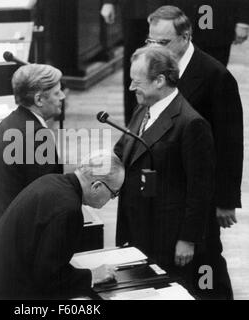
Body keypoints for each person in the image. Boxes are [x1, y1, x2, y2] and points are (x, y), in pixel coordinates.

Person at [147, 5, 243, 299]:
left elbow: (230, 144)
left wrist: (226, 200)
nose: (155, 49)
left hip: (202, 192)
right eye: (151, 42)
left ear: (186, 36)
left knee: (207, 260)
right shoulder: (155, 69)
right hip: (167, 189)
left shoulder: (215, 76)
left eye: (163, 43)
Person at [114, 46, 215, 297]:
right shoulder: (143, 108)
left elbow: (200, 189)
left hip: (167, 238)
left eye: (136, 82)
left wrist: (188, 239)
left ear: (159, 80)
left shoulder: (191, 124)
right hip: (137, 229)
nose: (130, 88)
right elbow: (123, 150)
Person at [0, 152, 125, 299]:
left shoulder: (51, 181)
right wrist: (92, 275)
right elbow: (49, 278)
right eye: (114, 193)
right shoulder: (68, 210)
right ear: (96, 186)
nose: (113, 199)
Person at [101, 0, 249, 124]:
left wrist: (243, 18)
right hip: (158, 12)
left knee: (209, 81)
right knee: (149, 72)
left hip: (212, 19)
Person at [0, 64, 64, 242]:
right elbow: (46, 200)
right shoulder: (37, 137)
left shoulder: (10, 122)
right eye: (57, 93)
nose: (62, 97)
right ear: (39, 99)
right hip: (18, 241)